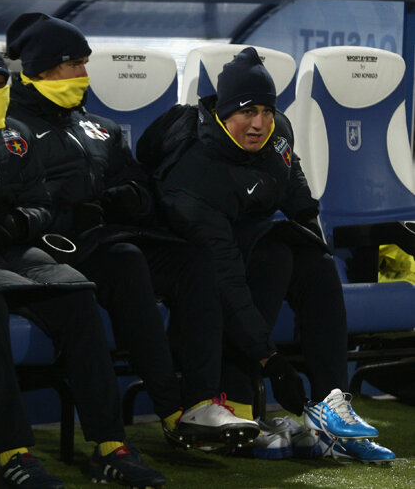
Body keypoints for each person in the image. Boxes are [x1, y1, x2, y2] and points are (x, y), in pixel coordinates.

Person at [0, 21, 167, 488]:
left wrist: (19, 222)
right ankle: (15, 453)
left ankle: (110, 447)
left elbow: (41, 203)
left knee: (78, 296)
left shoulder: (14, 133)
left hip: (18, 250)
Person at [5, 12, 259, 453]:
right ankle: (171, 409)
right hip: (55, 249)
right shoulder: (10, 127)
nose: (84, 75)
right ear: (42, 69)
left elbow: (141, 187)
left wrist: (131, 199)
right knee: (127, 261)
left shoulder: (99, 127)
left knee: (193, 258)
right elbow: (10, 197)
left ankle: (201, 401)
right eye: (73, 65)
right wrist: (72, 205)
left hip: (107, 237)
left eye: (85, 64)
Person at [137, 47, 395, 462]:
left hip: (248, 240)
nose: (258, 123)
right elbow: (222, 272)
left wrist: (313, 237)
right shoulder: (195, 172)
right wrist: (271, 361)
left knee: (314, 259)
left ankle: (330, 407)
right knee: (273, 254)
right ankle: (239, 408)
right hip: (191, 262)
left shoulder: (278, 135)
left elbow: (297, 195)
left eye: (266, 111)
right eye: (246, 111)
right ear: (224, 112)